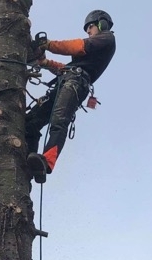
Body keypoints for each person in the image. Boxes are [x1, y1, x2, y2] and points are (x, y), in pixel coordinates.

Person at [25, 10, 116, 183]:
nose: (88, 32)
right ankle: (29, 162)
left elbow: (77, 47)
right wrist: (45, 62)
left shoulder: (107, 39)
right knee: (30, 122)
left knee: (59, 121)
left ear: (101, 24)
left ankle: (47, 163)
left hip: (76, 83)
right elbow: (67, 68)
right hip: (67, 80)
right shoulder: (94, 48)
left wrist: (48, 44)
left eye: (90, 27)